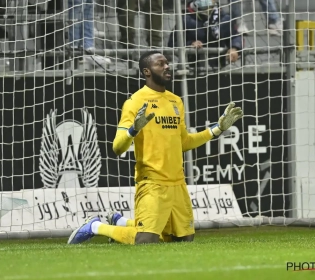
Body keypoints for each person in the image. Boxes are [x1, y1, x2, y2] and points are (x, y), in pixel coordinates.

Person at [67, 51, 243, 245]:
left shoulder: (176, 101)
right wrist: (134, 129)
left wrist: (217, 129)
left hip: (177, 184)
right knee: (146, 239)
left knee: (183, 241)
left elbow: (184, 142)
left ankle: (122, 221)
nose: (167, 66)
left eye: (167, 63)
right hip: (152, 182)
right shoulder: (135, 102)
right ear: (147, 71)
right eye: (160, 64)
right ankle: (95, 226)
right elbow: (117, 147)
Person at [168, 0, 242, 68]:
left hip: (218, 68)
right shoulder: (185, 19)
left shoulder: (224, 18)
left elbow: (234, 36)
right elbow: (172, 43)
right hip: (192, 69)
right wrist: (190, 44)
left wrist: (234, 48)